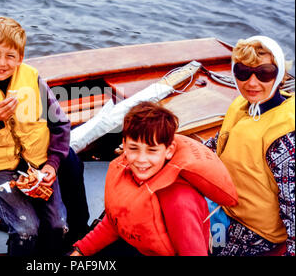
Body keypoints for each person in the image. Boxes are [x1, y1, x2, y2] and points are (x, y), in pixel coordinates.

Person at [0, 16, 89, 256]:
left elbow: (60, 124)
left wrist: (52, 165)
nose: (2, 63)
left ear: (21, 58)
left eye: (10, 56)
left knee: (59, 225)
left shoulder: (33, 80)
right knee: (26, 229)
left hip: (39, 165)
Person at [71, 101, 238, 256]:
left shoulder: (180, 202)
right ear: (124, 145)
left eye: (152, 150)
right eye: (134, 148)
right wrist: (80, 251)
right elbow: (115, 222)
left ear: (169, 150)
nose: (141, 159)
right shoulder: (126, 171)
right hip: (137, 244)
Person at [204, 36, 295, 256]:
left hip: (252, 228)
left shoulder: (284, 138)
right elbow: (216, 145)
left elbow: (293, 206)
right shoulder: (243, 106)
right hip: (223, 202)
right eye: (243, 72)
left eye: (264, 73)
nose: (252, 83)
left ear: (280, 74)